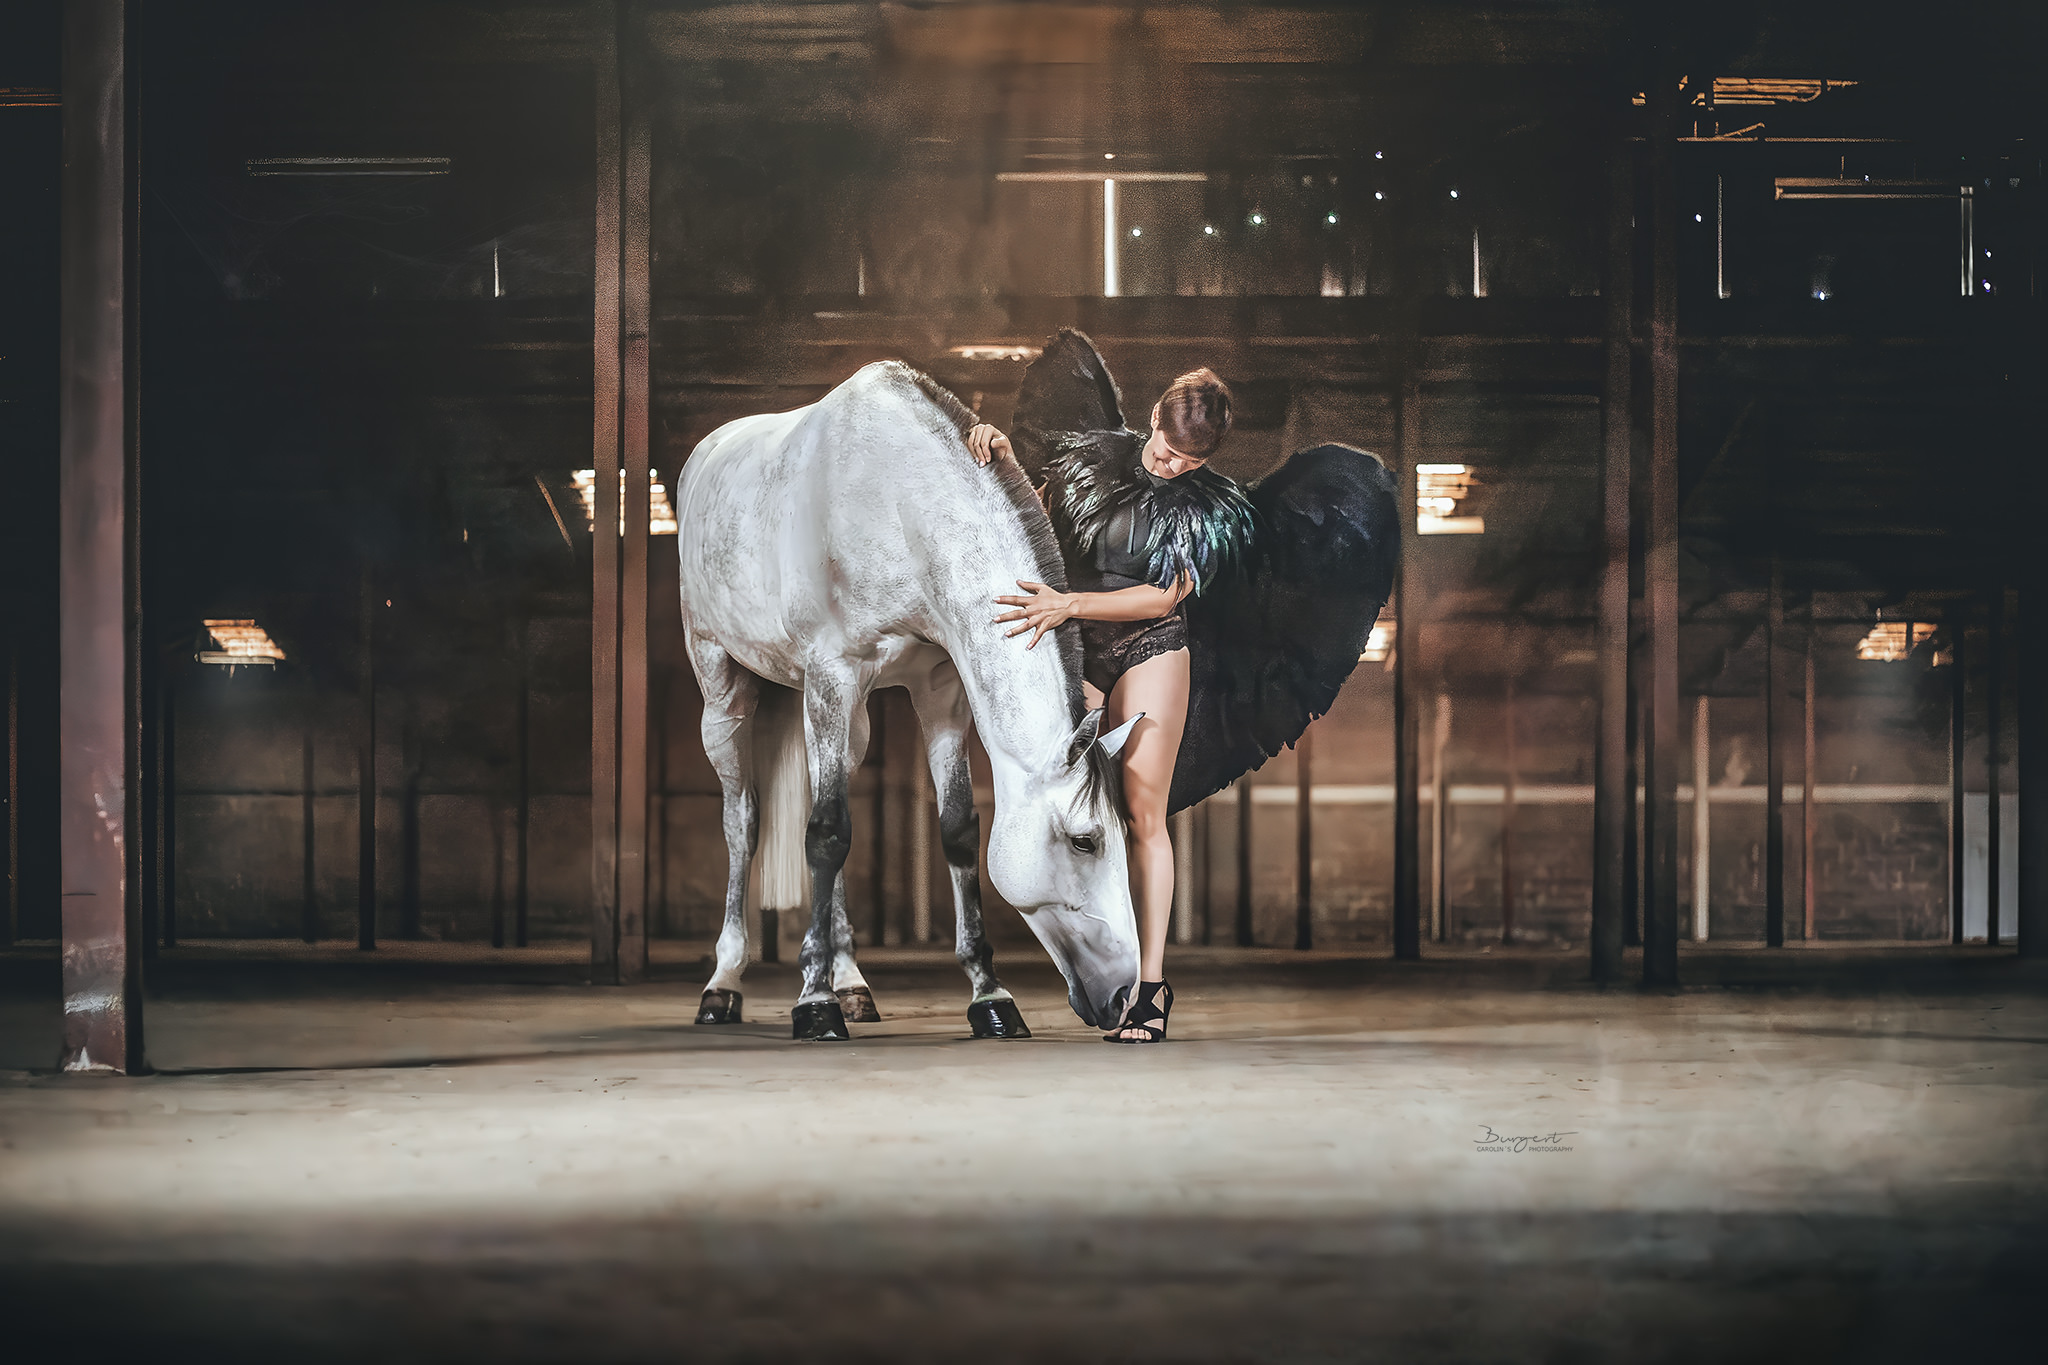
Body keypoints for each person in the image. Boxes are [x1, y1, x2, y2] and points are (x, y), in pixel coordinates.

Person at [967, 363, 1253, 1043]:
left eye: (1188, 461)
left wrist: (1068, 603)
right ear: (1153, 416)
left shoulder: (1207, 502)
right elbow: (1034, 518)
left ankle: (1150, 988)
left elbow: (1163, 596)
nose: (1171, 464)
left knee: (1142, 811)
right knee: (1072, 797)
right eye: (1165, 449)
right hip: (1077, 648)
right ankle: (1091, 956)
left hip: (1151, 643)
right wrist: (1001, 453)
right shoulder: (1091, 454)